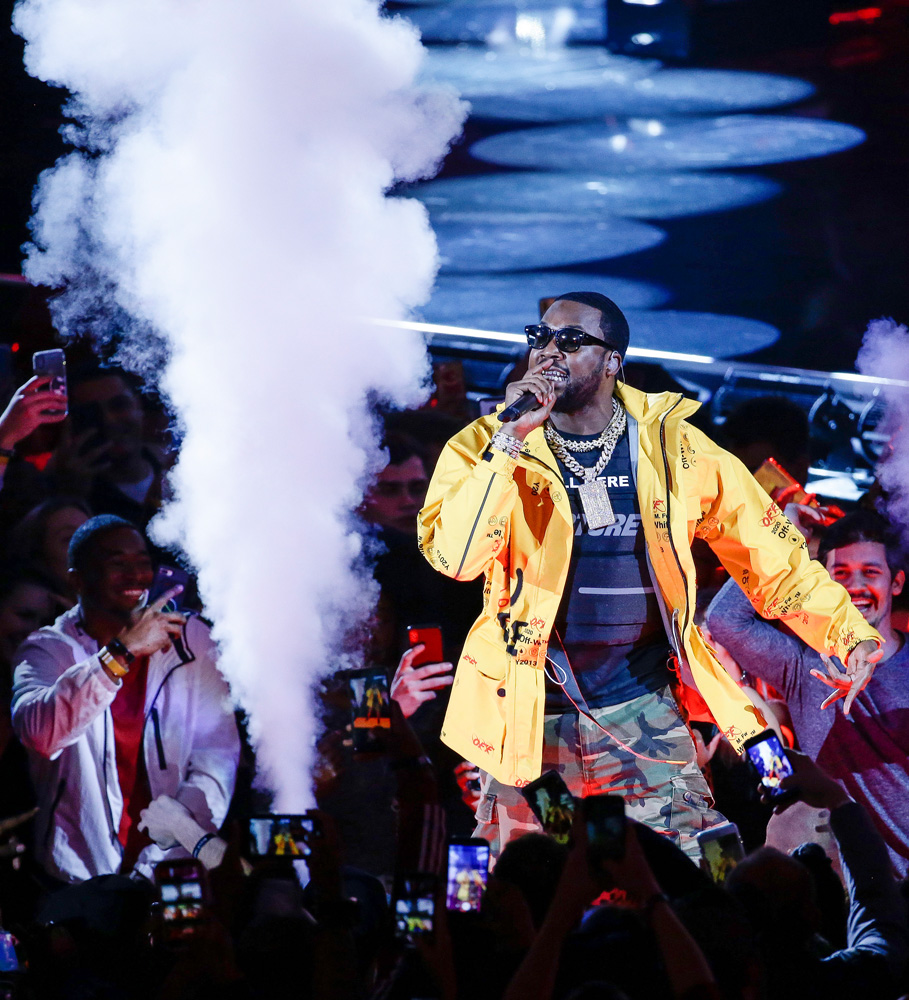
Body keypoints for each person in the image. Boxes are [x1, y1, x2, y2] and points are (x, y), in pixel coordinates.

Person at [418, 291, 881, 858]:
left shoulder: (672, 448)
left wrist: (849, 635)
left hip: (643, 722)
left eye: (570, 340)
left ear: (612, 360)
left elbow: (774, 558)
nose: (548, 352)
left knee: (695, 872)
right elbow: (456, 559)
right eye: (539, 337)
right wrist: (509, 441)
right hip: (531, 731)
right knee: (543, 875)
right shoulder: (482, 447)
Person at [11, 514, 239, 883]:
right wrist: (122, 652)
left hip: (172, 869)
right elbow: (41, 734)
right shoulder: (46, 650)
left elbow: (216, 757)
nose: (136, 576)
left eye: (142, 563)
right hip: (80, 880)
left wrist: (165, 852)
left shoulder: (192, 639)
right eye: (117, 564)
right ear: (77, 579)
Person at [706, 507, 909, 874]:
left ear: (895, 583)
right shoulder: (804, 665)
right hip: (832, 887)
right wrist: (781, 536)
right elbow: (724, 618)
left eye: (871, 573)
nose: (855, 587)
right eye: (841, 575)